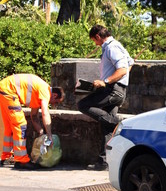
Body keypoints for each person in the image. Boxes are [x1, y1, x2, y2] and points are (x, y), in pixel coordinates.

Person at [77, 25, 134, 170]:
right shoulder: (116, 45)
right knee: (106, 127)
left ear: (97, 36)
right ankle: (104, 162)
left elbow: (122, 69)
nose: (95, 44)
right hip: (118, 89)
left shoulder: (111, 47)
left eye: (94, 40)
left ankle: (118, 124)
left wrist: (106, 81)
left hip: (112, 90)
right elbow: (130, 63)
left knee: (83, 105)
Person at [0, 74, 65, 170]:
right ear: (54, 95)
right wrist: (50, 135)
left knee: (10, 127)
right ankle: (21, 161)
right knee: (20, 125)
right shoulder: (45, 91)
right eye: (56, 102)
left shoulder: (39, 90)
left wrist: (41, 132)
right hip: (9, 91)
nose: (54, 105)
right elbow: (45, 113)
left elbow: (34, 116)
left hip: (4, 88)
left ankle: (6, 157)